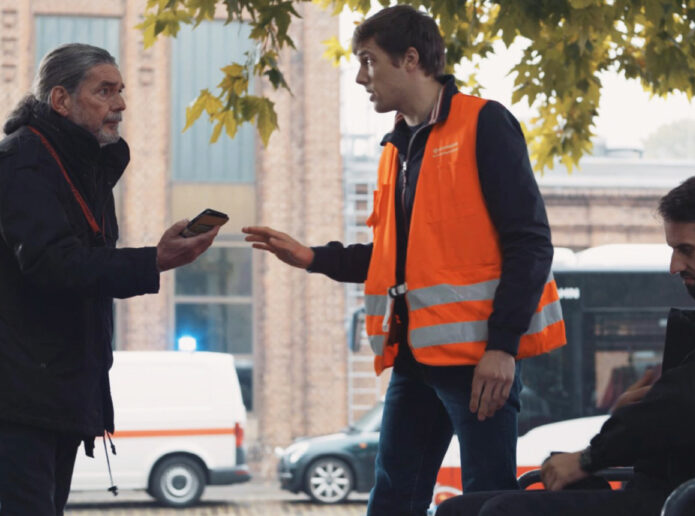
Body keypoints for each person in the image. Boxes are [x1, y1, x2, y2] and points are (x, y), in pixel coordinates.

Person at [242, 5, 565, 515]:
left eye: (369, 61)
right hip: (415, 360)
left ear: (411, 59)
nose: (360, 77)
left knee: (486, 500)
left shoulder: (485, 124)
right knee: (392, 498)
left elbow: (530, 243)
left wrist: (502, 349)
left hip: (480, 363)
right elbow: (396, 260)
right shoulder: (397, 148)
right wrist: (311, 257)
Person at [436, 173, 695, 516]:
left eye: (685, 250)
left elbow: (687, 405)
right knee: (457, 510)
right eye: (673, 250)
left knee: (501, 511)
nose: (674, 266)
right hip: (677, 493)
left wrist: (590, 458)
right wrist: (627, 416)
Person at [0, 43, 218, 516]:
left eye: (120, 91)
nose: (120, 104)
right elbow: (55, 265)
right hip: (18, 406)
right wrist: (152, 261)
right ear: (61, 100)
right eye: (105, 91)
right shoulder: (22, 162)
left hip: (57, 398)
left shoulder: (88, 166)